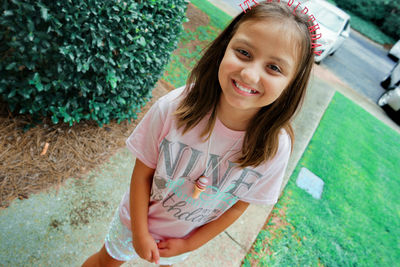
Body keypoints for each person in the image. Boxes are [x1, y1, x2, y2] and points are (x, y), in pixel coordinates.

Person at [82, 1, 316, 266]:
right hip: (135, 219)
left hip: (186, 236)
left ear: (293, 83)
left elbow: (239, 205)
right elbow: (142, 173)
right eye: (243, 52)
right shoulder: (174, 108)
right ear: (224, 47)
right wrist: (139, 231)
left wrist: (190, 244)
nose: (249, 74)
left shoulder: (274, 147)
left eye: (274, 68)